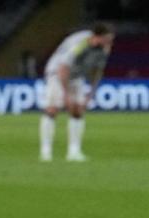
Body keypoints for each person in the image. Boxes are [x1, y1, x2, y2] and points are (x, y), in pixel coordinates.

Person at [39, 23, 115, 162]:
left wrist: (90, 95)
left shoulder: (104, 48)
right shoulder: (80, 44)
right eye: (107, 39)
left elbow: (98, 71)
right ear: (98, 37)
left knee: (78, 110)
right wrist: (66, 95)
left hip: (76, 75)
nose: (110, 42)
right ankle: (46, 151)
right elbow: (63, 68)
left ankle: (74, 152)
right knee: (53, 109)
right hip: (57, 72)